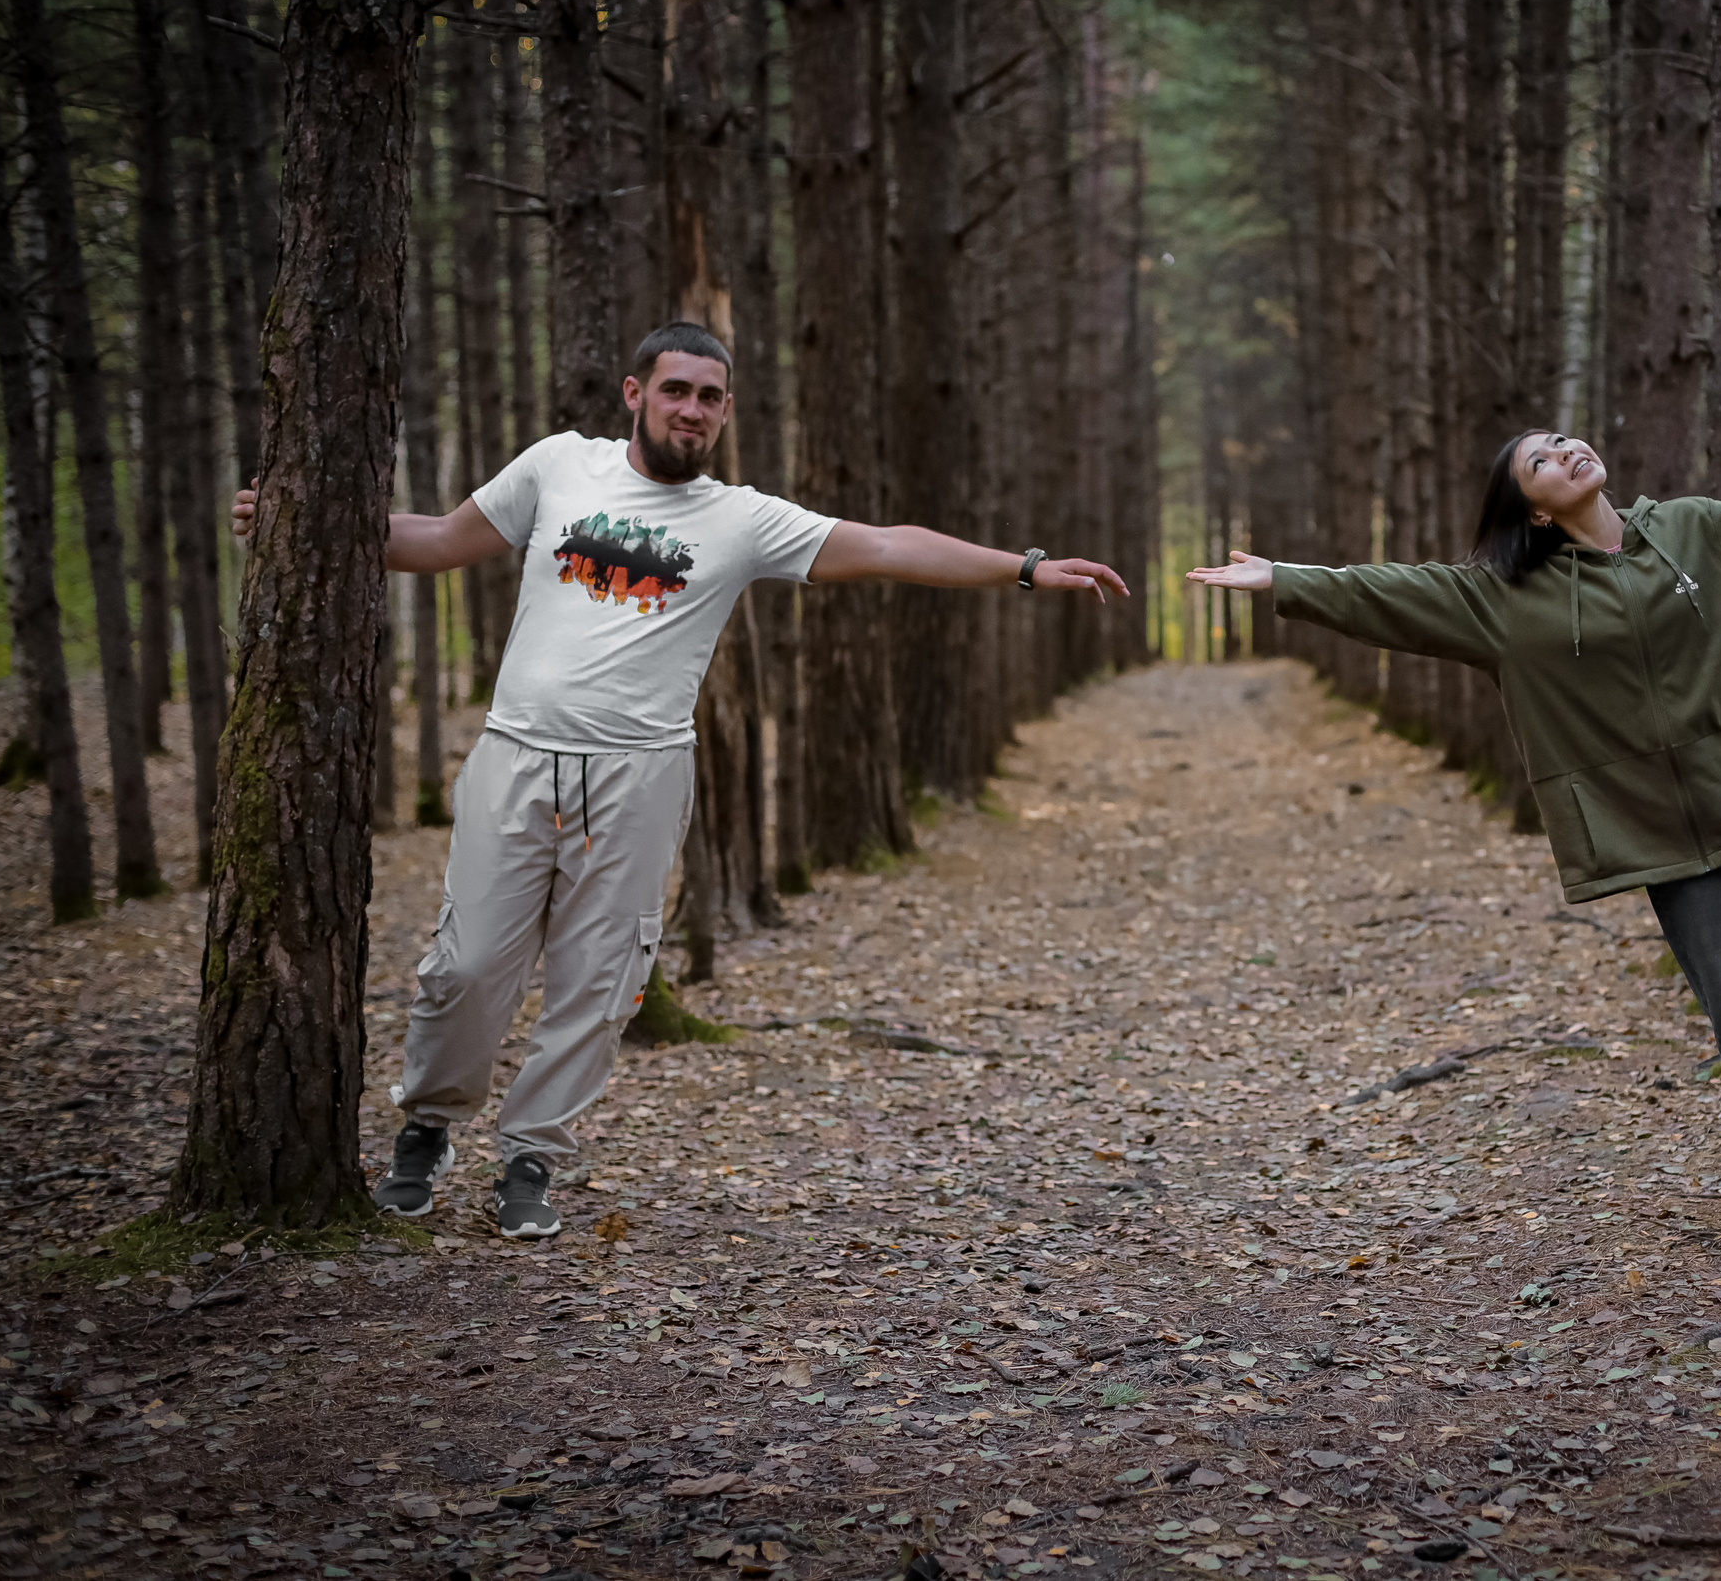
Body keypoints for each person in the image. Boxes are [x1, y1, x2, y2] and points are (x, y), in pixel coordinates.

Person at [233, 321, 1127, 1238]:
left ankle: (533, 1154)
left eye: (709, 396)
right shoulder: (556, 467)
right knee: (466, 965)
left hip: (641, 775)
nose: (691, 409)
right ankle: (427, 1125)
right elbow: (434, 540)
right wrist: (302, 522)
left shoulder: (739, 520)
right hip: (516, 757)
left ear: (726, 411)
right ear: (635, 393)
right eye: (675, 390)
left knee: (598, 975)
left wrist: (1024, 568)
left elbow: (891, 546)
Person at [1189, 430, 1721, 1213]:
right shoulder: (1504, 600)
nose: (1564, 451)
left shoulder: (1696, 530)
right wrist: (1287, 579)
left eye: (1562, 439)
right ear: (1533, 512)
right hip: (1650, 824)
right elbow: (1394, 593)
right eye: (1539, 461)